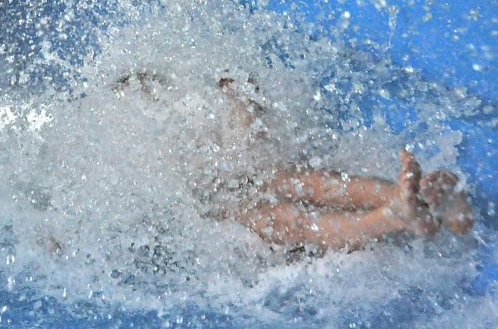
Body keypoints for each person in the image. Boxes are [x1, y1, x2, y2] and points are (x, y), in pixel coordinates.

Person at [113, 70, 475, 252]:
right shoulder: (123, 173)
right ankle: (392, 214)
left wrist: (243, 100)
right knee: (275, 216)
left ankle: (411, 202)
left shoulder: (184, 125)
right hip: (205, 225)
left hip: (227, 189)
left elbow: (245, 126)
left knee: (297, 181)